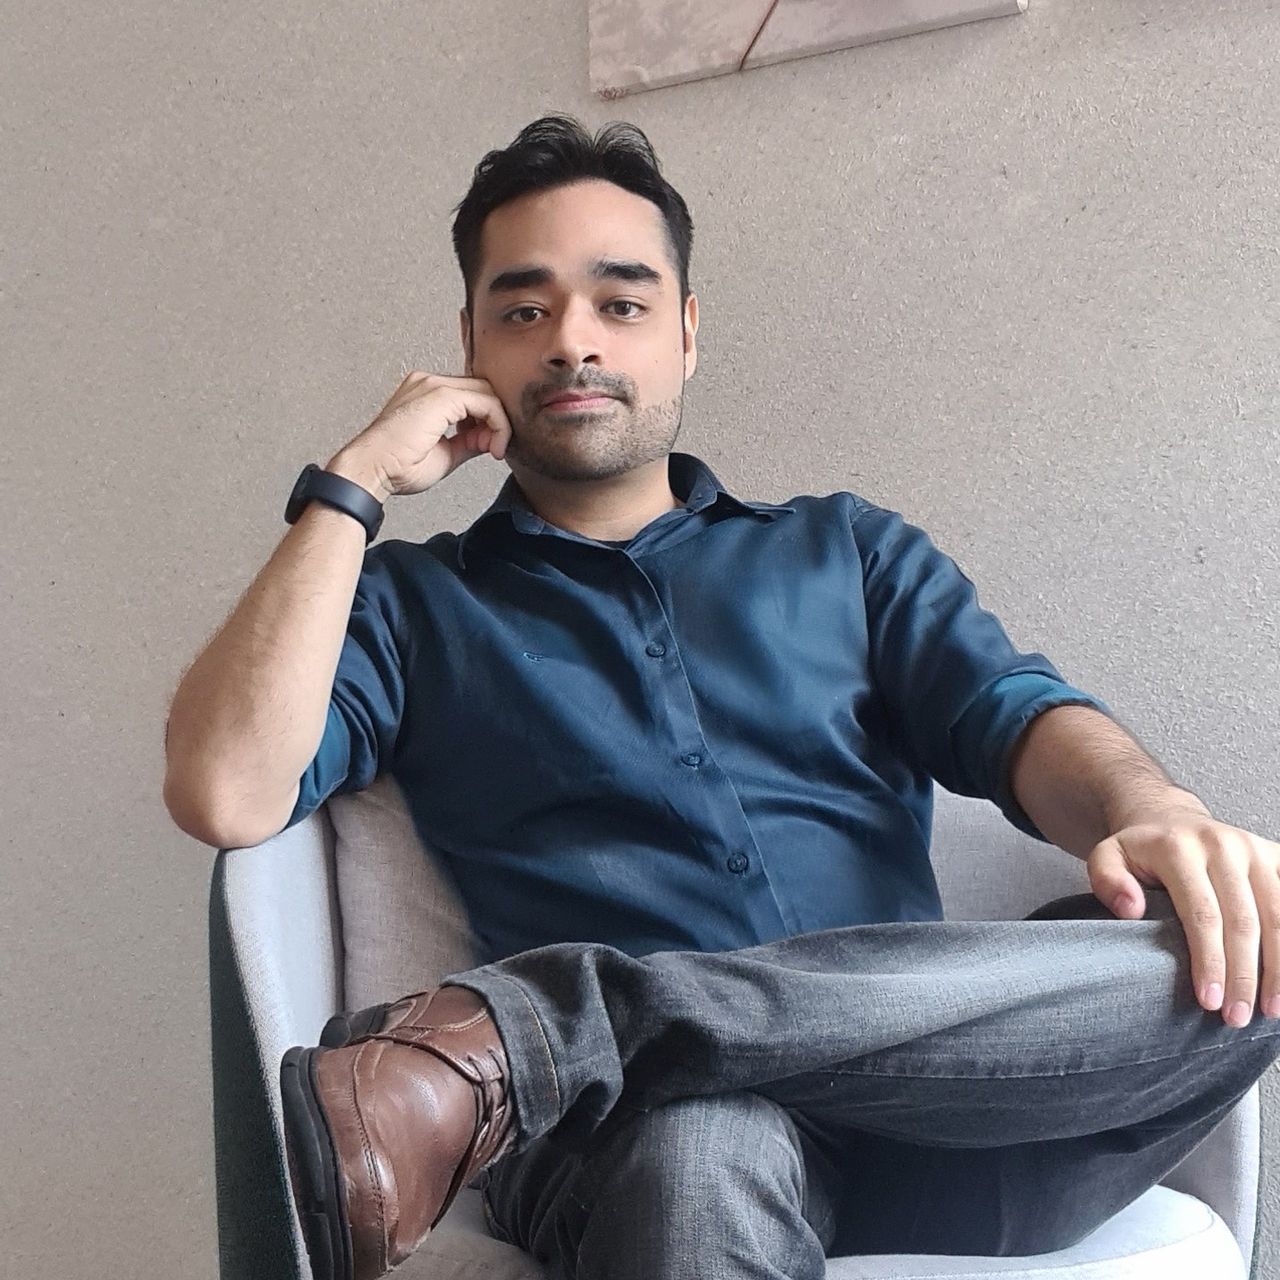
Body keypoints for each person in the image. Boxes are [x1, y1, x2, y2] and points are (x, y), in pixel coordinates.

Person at [163, 115, 1280, 1280]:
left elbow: (1014, 717)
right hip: (640, 1142)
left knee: (1229, 950)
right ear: (468, 345)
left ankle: (535, 1034)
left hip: (945, 1112)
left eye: (620, 302)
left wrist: (1152, 809)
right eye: (523, 309)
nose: (571, 341)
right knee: (701, 1146)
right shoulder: (412, 603)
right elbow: (224, 789)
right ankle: (572, 1051)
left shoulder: (845, 551)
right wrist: (351, 484)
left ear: (687, 332)